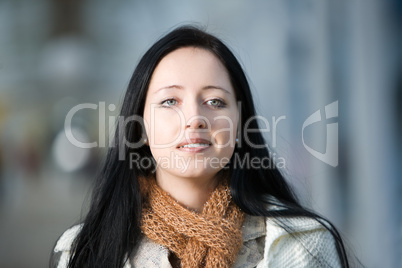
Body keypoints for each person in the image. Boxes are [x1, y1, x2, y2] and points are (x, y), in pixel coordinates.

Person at [50, 25, 349, 268]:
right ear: (138, 128)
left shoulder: (303, 243)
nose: (195, 119)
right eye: (170, 101)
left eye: (215, 101)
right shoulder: (86, 251)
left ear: (239, 124)